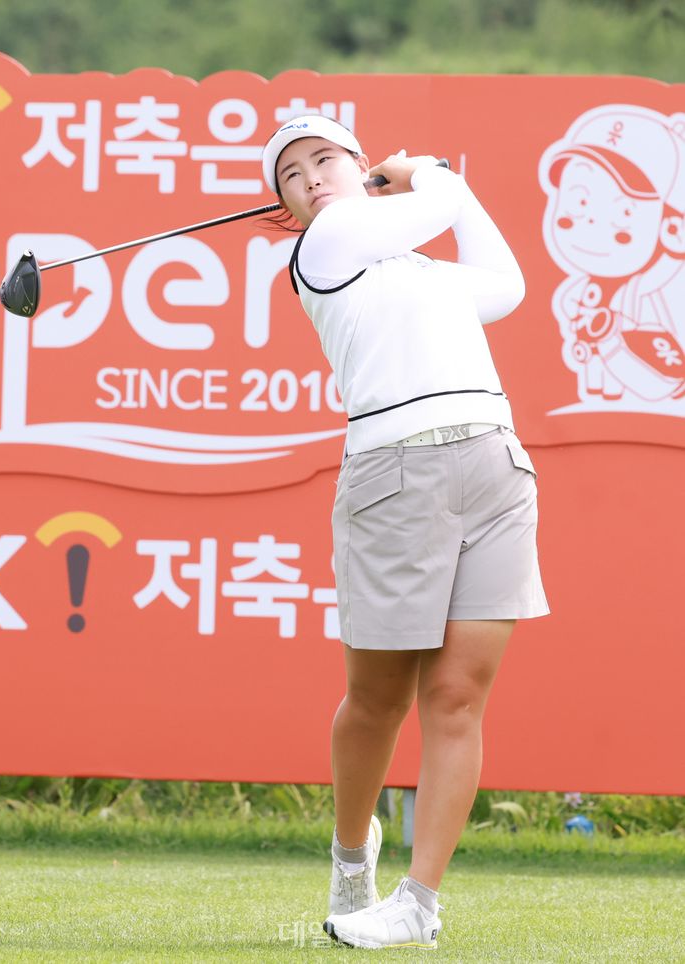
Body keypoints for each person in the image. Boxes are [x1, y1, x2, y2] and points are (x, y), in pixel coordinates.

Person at [261, 114, 550, 951]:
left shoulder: (421, 270)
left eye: (325, 159)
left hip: (494, 467)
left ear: (357, 164)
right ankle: (353, 856)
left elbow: (506, 284)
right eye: (292, 176)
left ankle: (419, 903)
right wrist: (422, 171)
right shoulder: (325, 246)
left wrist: (438, 186)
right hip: (395, 474)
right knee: (377, 700)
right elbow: (439, 201)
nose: (311, 179)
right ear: (287, 206)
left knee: (457, 698)